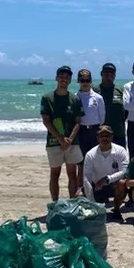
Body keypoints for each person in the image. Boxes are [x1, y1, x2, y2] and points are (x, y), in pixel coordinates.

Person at [40, 65, 84, 201]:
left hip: (72, 143)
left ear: (70, 80)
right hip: (54, 142)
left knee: (72, 174)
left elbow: (78, 121)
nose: (63, 79)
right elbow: (46, 121)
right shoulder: (47, 98)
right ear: (56, 78)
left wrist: (69, 139)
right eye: (61, 77)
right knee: (55, 174)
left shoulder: (75, 99)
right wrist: (60, 139)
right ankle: (55, 203)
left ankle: (72, 202)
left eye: (67, 77)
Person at [82, 125, 129, 222]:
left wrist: (107, 179)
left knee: (122, 183)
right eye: (102, 136)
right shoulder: (90, 154)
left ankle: (116, 210)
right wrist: (92, 202)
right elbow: (87, 178)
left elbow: (125, 171)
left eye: (107, 135)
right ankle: (95, 209)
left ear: (112, 137)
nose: (105, 138)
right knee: (78, 195)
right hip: (96, 187)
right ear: (97, 138)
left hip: (113, 185)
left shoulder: (120, 151)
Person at [76, 69, 106, 179]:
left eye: (87, 80)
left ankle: (95, 189)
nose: (85, 83)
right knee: (81, 162)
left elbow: (102, 117)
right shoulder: (75, 97)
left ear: (91, 81)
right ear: (78, 81)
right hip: (81, 132)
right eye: (82, 80)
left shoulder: (98, 98)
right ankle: (81, 189)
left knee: (95, 160)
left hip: (95, 131)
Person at [93, 62, 127, 148]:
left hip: (118, 133)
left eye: (112, 72)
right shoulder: (94, 90)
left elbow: (126, 111)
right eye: (106, 72)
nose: (109, 74)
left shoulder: (121, 90)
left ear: (115, 75)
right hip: (99, 134)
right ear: (101, 73)